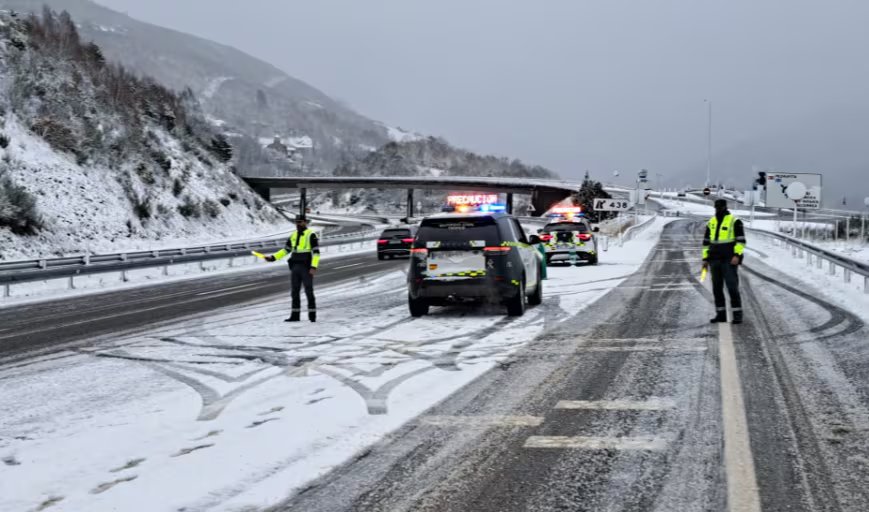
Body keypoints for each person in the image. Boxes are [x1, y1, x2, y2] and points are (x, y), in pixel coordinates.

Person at [265, 215, 320, 322]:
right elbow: (286, 250)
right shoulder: (293, 235)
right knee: (294, 292)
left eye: (300, 222)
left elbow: (316, 253)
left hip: (306, 266)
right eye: (296, 222)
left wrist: (314, 266)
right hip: (295, 266)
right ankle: (295, 316)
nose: (298, 224)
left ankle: (312, 316)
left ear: (305, 222)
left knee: (309, 291)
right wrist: (273, 257)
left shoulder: (311, 235)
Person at [702, 199, 746, 324]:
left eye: (720, 207)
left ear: (725, 207)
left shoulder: (734, 221)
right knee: (717, 288)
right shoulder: (711, 221)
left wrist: (737, 255)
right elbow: (706, 243)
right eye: (716, 207)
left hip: (729, 259)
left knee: (732, 287)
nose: (718, 209)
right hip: (714, 259)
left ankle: (737, 315)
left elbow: (741, 241)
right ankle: (721, 315)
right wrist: (705, 259)